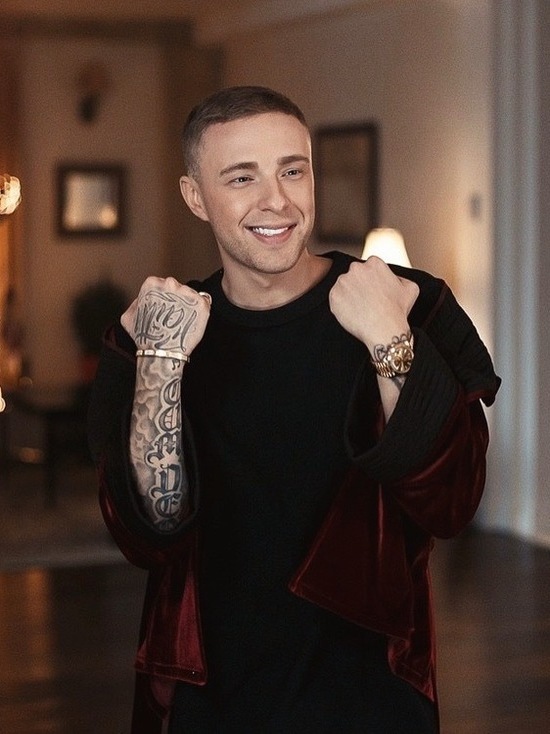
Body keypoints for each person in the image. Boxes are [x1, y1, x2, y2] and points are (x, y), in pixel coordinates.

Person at [88, 86, 500, 734]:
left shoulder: (404, 302)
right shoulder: (156, 331)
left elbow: (452, 502)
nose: (276, 200)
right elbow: (149, 534)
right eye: (241, 177)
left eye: (292, 170)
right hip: (210, 694)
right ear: (195, 196)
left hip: (374, 693)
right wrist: (162, 363)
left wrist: (390, 340)